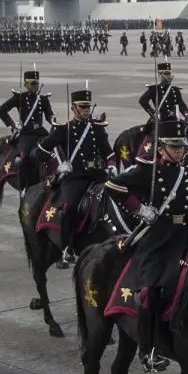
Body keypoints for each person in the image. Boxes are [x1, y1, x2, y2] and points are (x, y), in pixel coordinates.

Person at [106, 132, 188, 369]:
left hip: (183, 237)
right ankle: (147, 350)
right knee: (151, 292)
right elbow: (113, 185)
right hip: (156, 239)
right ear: (161, 149)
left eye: (181, 147)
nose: (179, 151)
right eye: (173, 146)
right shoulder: (148, 172)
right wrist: (139, 208)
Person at [42, 88, 110, 265]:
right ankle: (66, 247)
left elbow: (108, 154)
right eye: (82, 107)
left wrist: (112, 168)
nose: (86, 110)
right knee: (70, 207)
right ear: (73, 108)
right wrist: (59, 165)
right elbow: (40, 151)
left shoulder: (97, 129)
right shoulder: (64, 129)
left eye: (88, 107)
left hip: (97, 175)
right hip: (75, 177)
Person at [0, 70, 56, 180]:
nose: (36, 86)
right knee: (24, 157)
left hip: (41, 132)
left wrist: (54, 120)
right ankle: (24, 184)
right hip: (26, 133)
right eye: (32, 83)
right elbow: (1, 110)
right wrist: (13, 125)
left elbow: (49, 115)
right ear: (25, 84)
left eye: (37, 83)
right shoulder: (20, 98)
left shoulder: (43, 99)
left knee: (54, 152)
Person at [138, 60, 188, 152]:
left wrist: (185, 113)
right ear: (160, 75)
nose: (168, 76)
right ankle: (148, 153)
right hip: (160, 119)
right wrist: (153, 113)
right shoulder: (154, 89)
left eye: (169, 73)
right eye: (166, 73)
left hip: (173, 119)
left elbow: (181, 104)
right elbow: (142, 101)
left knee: (187, 131)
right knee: (152, 137)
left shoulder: (175, 90)